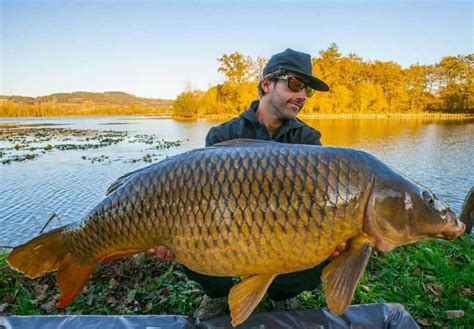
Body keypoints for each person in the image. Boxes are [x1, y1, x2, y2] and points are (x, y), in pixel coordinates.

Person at [148, 48, 348, 319]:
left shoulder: (308, 141)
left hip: (283, 234)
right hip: (226, 230)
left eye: (307, 90)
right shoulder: (223, 135)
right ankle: (218, 294)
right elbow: (201, 200)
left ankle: (282, 295)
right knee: (190, 233)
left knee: (327, 248)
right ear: (267, 84)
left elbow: (319, 201)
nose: (302, 96)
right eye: (295, 84)